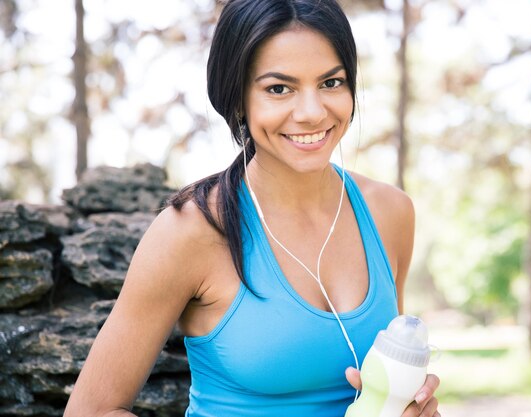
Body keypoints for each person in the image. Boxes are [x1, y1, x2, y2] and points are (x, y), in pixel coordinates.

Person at [64, 0, 441, 416]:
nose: (313, 112)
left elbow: (386, 381)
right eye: (279, 88)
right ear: (238, 97)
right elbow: (91, 411)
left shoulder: (390, 213)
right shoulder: (192, 230)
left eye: (331, 83)